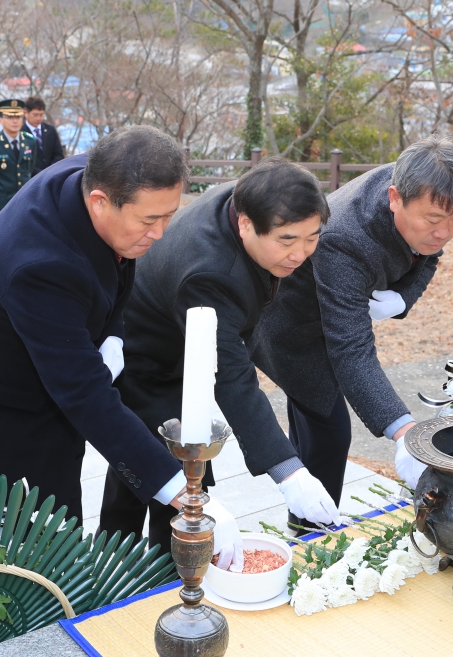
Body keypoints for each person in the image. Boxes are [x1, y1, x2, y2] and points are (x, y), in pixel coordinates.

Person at [0, 126, 243, 567]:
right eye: (149, 220)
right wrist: (185, 494)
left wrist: (113, 333)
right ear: (100, 201)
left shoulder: (87, 179)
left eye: (169, 216)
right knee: (1, 560)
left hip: (42, 397)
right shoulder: (40, 264)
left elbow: (119, 268)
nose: (160, 233)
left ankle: (60, 598)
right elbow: (85, 395)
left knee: (56, 531)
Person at [99, 158, 338, 552]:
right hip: (146, 355)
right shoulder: (210, 272)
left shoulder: (244, 198)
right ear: (246, 224)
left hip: (177, 340)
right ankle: (147, 576)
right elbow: (231, 375)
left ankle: (142, 565)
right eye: (287, 240)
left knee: (148, 468)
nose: (300, 254)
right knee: (165, 472)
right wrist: (289, 471)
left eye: (312, 238)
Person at [252, 138, 453, 519]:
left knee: (314, 426)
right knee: (330, 431)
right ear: (395, 197)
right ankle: (312, 531)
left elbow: (427, 257)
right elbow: (350, 348)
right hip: (293, 323)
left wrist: (403, 297)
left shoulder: (429, 191)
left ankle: (308, 522)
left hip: (338, 309)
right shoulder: (346, 237)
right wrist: (404, 431)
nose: (443, 233)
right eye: (434, 221)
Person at [0, 99, 36, 219]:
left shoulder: (30, 141)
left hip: (24, 201)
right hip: (1, 203)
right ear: (1, 120)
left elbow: (30, 169)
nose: (15, 121)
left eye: (18, 117)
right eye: (9, 117)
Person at [23, 97, 64, 175]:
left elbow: (58, 154)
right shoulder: (21, 133)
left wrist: (51, 171)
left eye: (41, 115)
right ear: (26, 113)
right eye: (35, 115)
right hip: (31, 178)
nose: (38, 118)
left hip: (52, 174)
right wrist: (41, 174)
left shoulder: (50, 130)